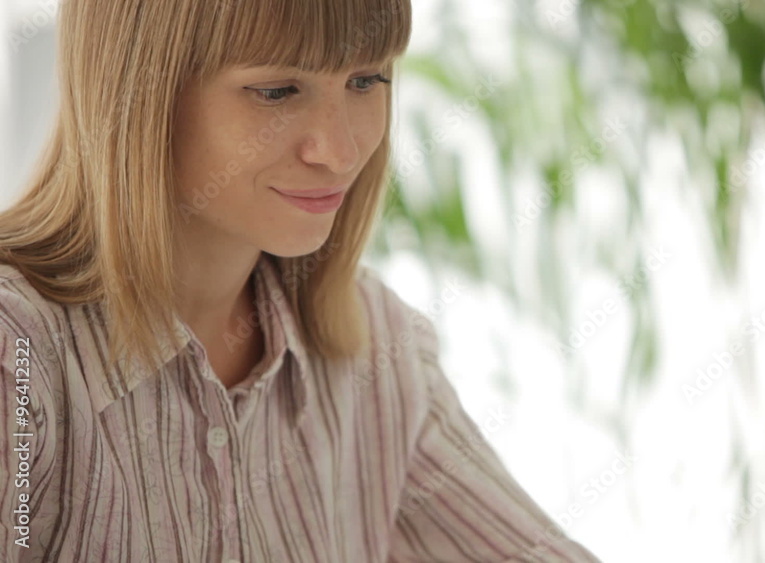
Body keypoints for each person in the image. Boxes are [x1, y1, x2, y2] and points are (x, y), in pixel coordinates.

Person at [0, 0, 601, 560]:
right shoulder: (18, 358)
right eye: (277, 90)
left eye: (366, 81)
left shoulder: (380, 352)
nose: (339, 151)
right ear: (136, 87)